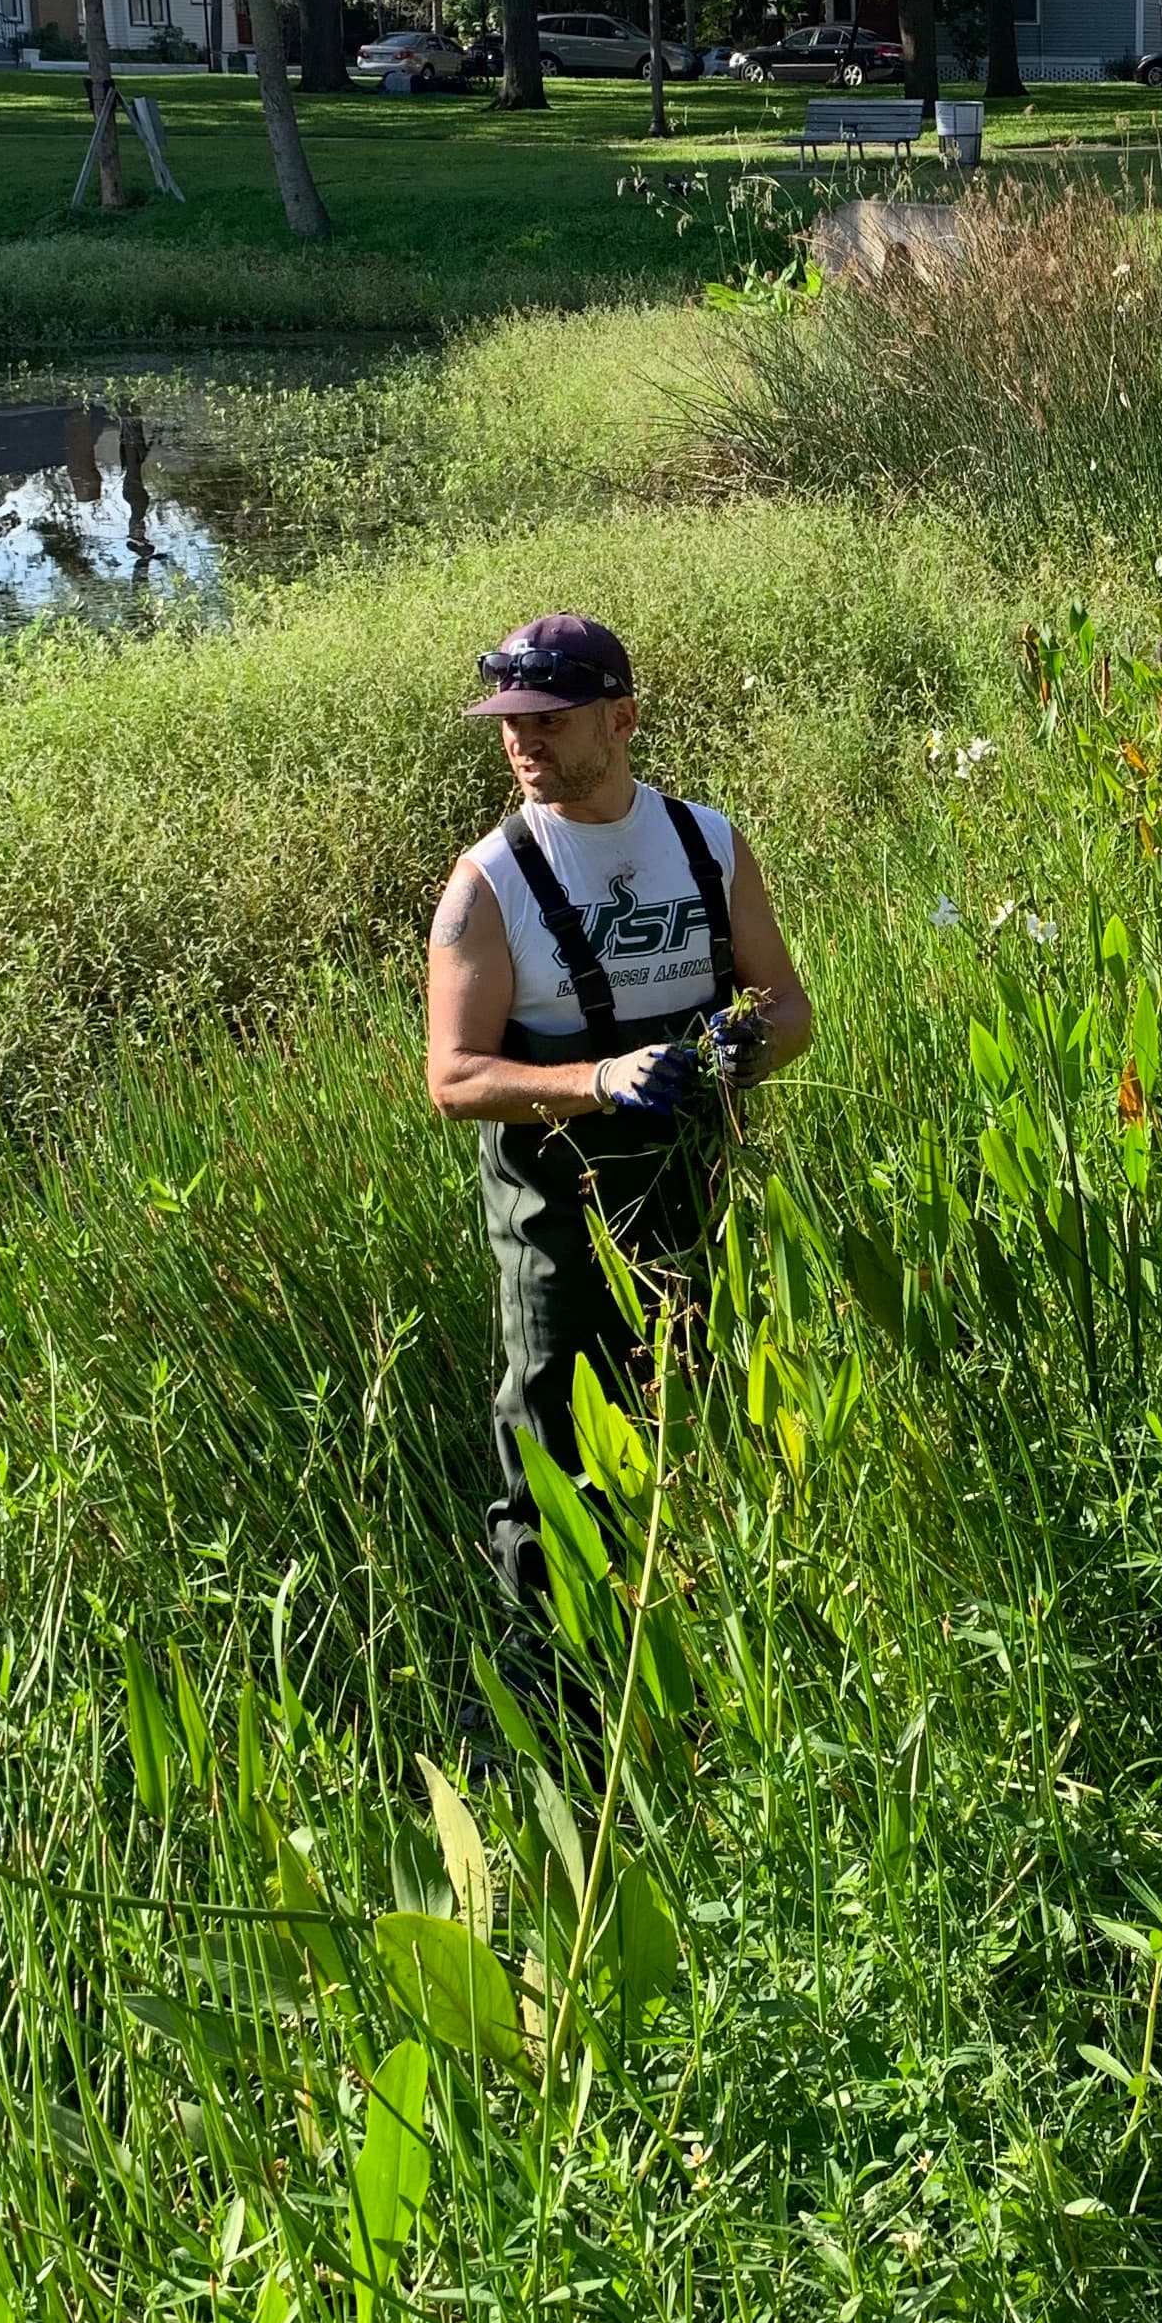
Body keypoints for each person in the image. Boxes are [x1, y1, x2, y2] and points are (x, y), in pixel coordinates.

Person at [427, 613, 813, 1609]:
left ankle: (704, 1626)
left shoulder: (707, 844)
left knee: (707, 1408)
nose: (523, 740)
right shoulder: (489, 883)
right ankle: (550, 1689)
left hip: (699, 1194)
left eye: (551, 716)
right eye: (511, 720)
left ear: (624, 718)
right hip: (556, 1221)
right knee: (552, 1446)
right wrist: (595, 1082)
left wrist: (750, 1046)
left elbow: (790, 1005)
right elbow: (456, 1078)